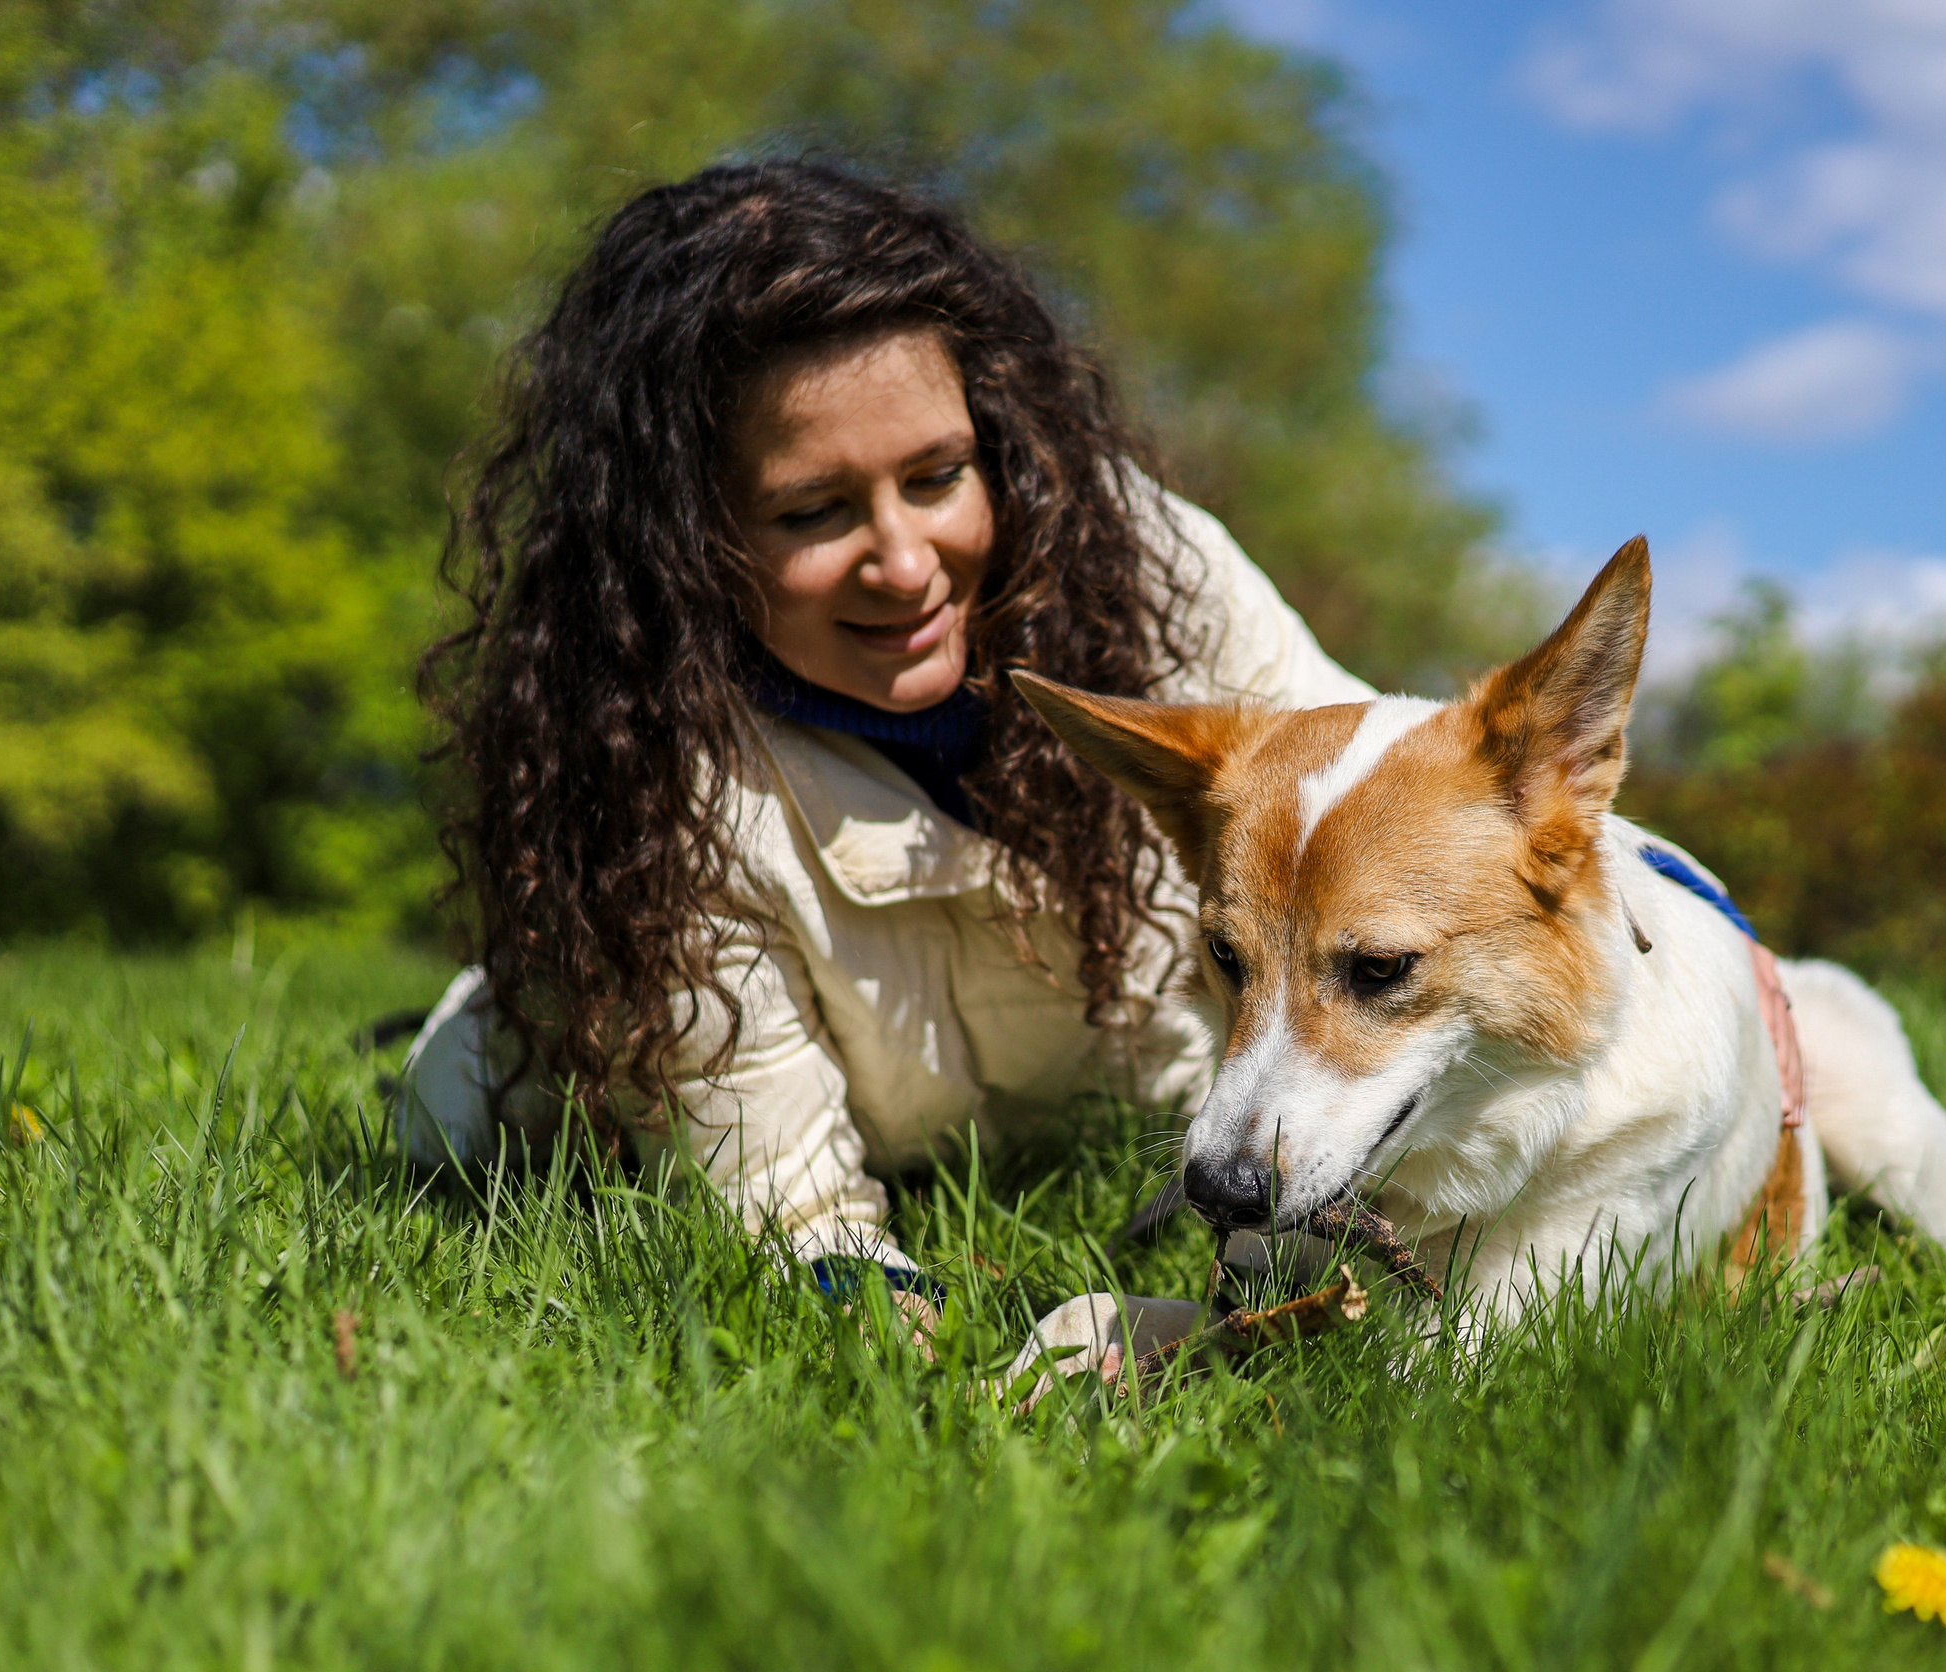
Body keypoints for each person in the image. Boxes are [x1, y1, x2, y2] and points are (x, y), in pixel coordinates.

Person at [403, 158, 1372, 1286]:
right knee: (463, 1110)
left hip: (1084, 1110)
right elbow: (790, 1212)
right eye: (813, 510)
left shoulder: (1150, 569)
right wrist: (960, 1359)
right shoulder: (645, 792)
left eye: (937, 475)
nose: (907, 566)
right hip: (555, 1089)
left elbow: (1406, 814)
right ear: (683, 540)